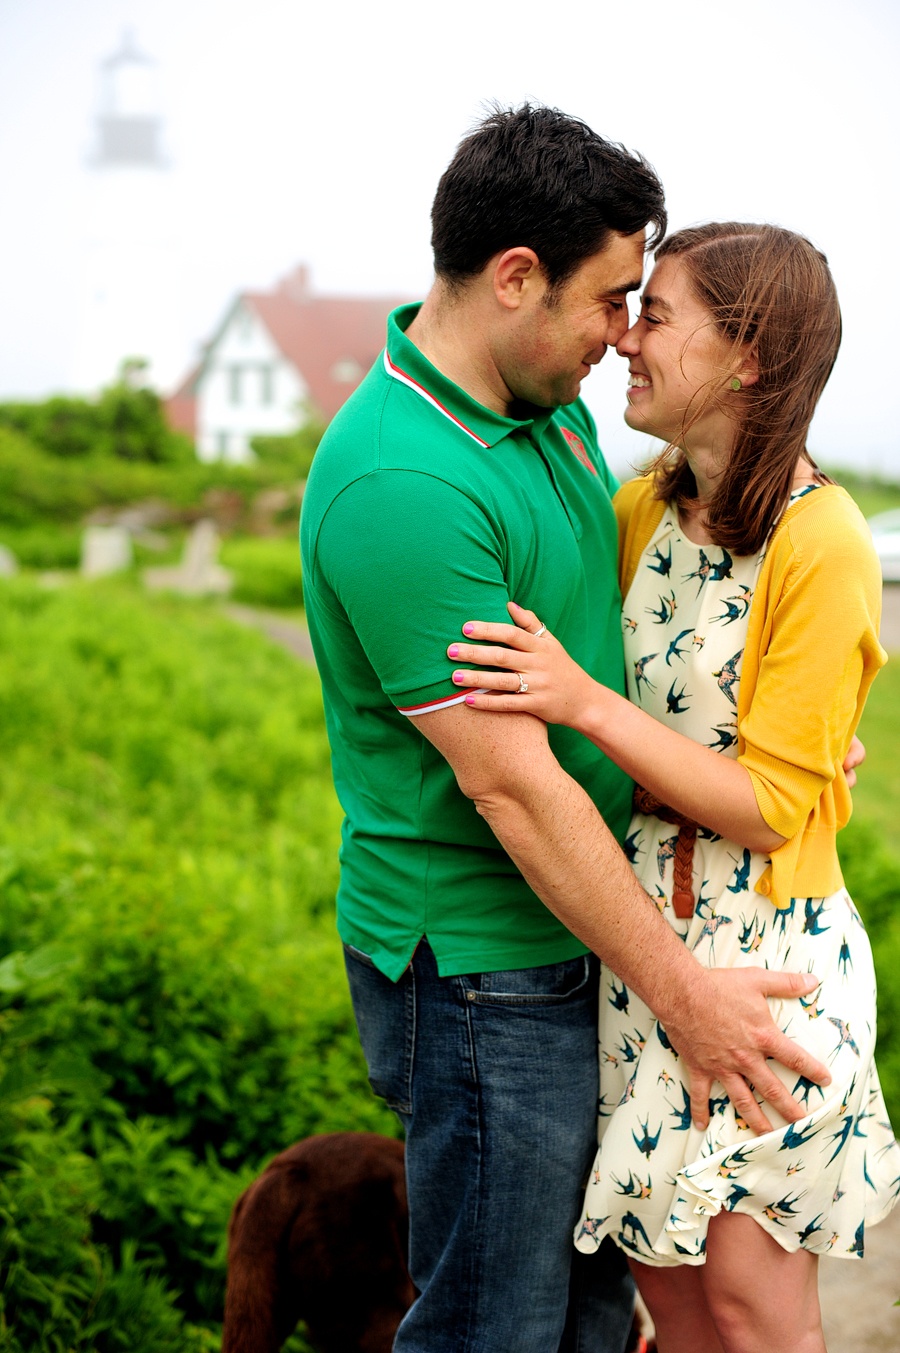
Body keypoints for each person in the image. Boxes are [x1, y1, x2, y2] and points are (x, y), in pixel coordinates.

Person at [300, 108, 831, 1353]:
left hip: (582, 929)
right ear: (516, 278)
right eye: (609, 299)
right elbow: (517, 789)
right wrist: (688, 996)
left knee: (594, 1318)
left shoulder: (550, 414)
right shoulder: (405, 483)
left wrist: (751, 758)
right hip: (487, 962)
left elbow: (611, 649)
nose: (622, 335)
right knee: (497, 1319)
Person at [448, 220, 900, 1353]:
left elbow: (768, 805)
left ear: (745, 356)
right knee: (683, 1307)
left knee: (754, 1308)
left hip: (767, 958)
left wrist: (584, 704)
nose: (627, 340)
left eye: (656, 315)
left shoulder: (824, 540)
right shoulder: (641, 509)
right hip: (643, 950)